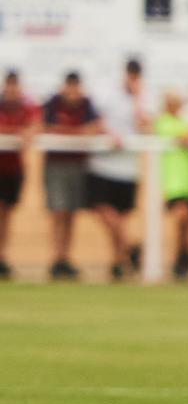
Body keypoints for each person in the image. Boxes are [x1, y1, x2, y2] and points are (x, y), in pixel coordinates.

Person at [87, 59, 152, 281]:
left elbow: (146, 125)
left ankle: (118, 261)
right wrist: (108, 133)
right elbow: (95, 118)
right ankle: (130, 247)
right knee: (105, 212)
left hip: (128, 167)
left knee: (121, 218)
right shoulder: (108, 93)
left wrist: (137, 100)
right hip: (103, 164)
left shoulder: (144, 98)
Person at [42, 72, 102, 280]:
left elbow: (95, 127)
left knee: (71, 213)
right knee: (58, 211)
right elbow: (46, 127)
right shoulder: (53, 103)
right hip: (56, 165)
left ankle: (66, 257)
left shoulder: (86, 104)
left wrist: (68, 132)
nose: (73, 92)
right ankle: (56, 257)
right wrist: (76, 132)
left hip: (78, 166)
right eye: (70, 87)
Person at [155, 92, 188, 280]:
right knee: (181, 218)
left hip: (187, 181)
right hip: (173, 181)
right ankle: (179, 257)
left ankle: (184, 256)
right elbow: (185, 137)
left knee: (186, 221)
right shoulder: (163, 122)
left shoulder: (182, 122)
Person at [0, 72, 37, 279]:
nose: (12, 91)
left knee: (6, 215)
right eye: (9, 87)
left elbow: (35, 125)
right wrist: (15, 131)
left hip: (13, 170)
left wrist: (27, 131)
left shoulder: (26, 107)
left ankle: (2, 257)